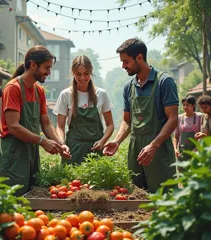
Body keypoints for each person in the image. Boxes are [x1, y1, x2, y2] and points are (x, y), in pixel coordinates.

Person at [103, 38, 179, 193]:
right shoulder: (128, 87)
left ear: (139, 57)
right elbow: (127, 121)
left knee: (164, 197)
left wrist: (153, 145)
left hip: (158, 148)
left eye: (125, 61)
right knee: (138, 196)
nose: (123, 66)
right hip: (135, 149)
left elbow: (173, 119)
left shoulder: (165, 82)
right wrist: (117, 141)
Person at [0, 45, 71, 196]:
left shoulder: (39, 91)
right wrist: (43, 141)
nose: (49, 72)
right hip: (14, 153)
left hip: (31, 152)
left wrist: (60, 144)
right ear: (32, 65)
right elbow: (13, 126)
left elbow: (46, 123)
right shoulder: (13, 88)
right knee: (11, 200)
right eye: (47, 67)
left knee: (31, 197)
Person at [53, 55, 114, 165]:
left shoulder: (101, 94)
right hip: (73, 150)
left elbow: (110, 125)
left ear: (91, 72)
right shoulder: (66, 95)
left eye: (86, 74)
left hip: (95, 150)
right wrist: (62, 144)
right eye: (78, 74)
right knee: (69, 182)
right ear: (73, 73)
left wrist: (102, 141)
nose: (82, 78)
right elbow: (60, 126)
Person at [173, 95, 203, 161]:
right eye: (184, 105)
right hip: (182, 152)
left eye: (187, 105)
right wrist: (175, 149)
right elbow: (176, 136)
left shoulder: (199, 117)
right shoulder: (179, 118)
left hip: (196, 151)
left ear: (193, 105)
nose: (185, 107)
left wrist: (196, 149)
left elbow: (202, 136)